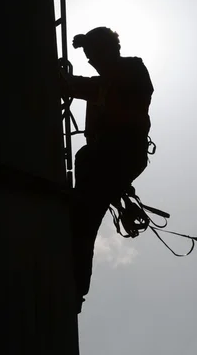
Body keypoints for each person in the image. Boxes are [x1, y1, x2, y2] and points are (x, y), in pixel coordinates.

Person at [60, 26, 154, 314]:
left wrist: (67, 83)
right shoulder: (105, 82)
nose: (91, 61)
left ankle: (75, 289)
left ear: (108, 50)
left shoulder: (131, 71)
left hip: (120, 155)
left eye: (93, 54)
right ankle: (75, 285)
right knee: (83, 215)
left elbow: (105, 89)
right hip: (107, 160)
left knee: (84, 219)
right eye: (88, 56)